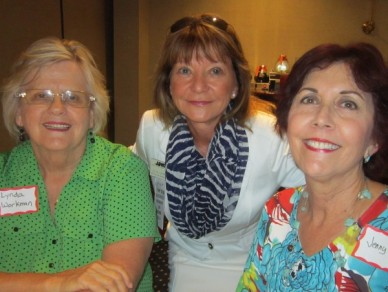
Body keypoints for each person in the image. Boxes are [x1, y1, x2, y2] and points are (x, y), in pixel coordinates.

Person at [132, 14, 304, 291]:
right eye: (184, 70)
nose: (198, 86)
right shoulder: (152, 127)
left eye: (215, 71)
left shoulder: (269, 135)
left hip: (250, 258)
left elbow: (320, 186)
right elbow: (131, 169)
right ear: (169, 83)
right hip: (185, 254)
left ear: (235, 85)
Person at [0, 37, 160, 292]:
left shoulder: (122, 170)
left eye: (73, 97)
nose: (57, 108)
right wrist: (59, 283)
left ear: (92, 114)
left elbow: (117, 283)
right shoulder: (3, 174)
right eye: (41, 96)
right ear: (18, 112)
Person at [237, 42, 388, 291]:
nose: (321, 118)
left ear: (375, 138)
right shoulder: (278, 210)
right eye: (309, 99)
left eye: (348, 103)